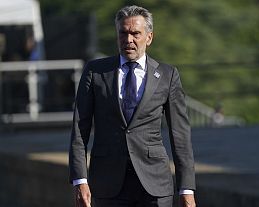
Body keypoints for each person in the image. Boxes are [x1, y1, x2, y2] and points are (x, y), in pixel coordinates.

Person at [69, 5, 196, 207]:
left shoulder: (167, 75)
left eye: (136, 33)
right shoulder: (95, 72)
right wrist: (80, 181)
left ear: (149, 37)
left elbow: (180, 135)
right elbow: (79, 130)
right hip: (108, 185)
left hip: (155, 185)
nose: (129, 40)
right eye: (123, 33)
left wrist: (186, 189)